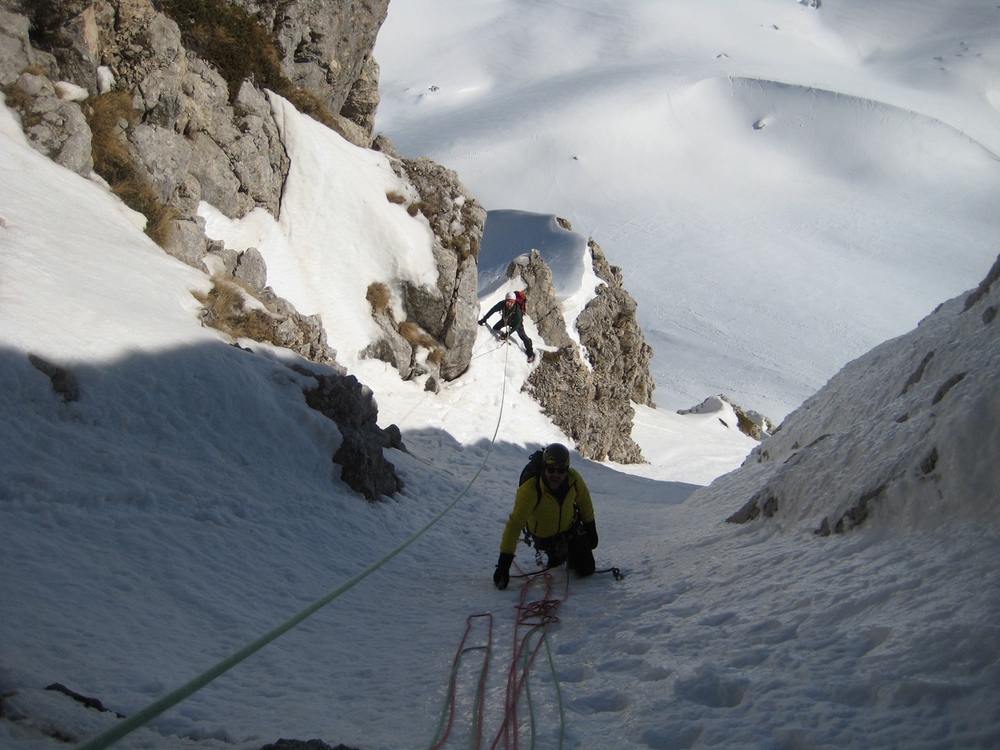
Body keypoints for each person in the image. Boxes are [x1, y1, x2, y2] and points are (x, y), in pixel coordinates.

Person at [493, 443, 599, 590]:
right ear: (544, 468)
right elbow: (515, 525)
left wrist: (591, 531)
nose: (556, 474)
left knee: (587, 569)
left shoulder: (574, 480)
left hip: (570, 529)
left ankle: (567, 554)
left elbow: (585, 504)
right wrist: (503, 566)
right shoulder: (531, 489)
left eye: (561, 471)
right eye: (551, 470)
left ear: (566, 471)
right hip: (544, 537)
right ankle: (556, 554)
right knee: (556, 562)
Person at [479, 291, 535, 363]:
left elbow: (516, 325)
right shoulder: (502, 304)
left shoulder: (518, 311)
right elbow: (492, 310)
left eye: (511, 302)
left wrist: (507, 334)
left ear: (514, 302)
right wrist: (484, 319)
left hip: (516, 324)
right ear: (505, 301)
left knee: (524, 338)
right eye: (508, 302)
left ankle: (531, 354)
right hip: (505, 320)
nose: (509, 304)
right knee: (495, 329)